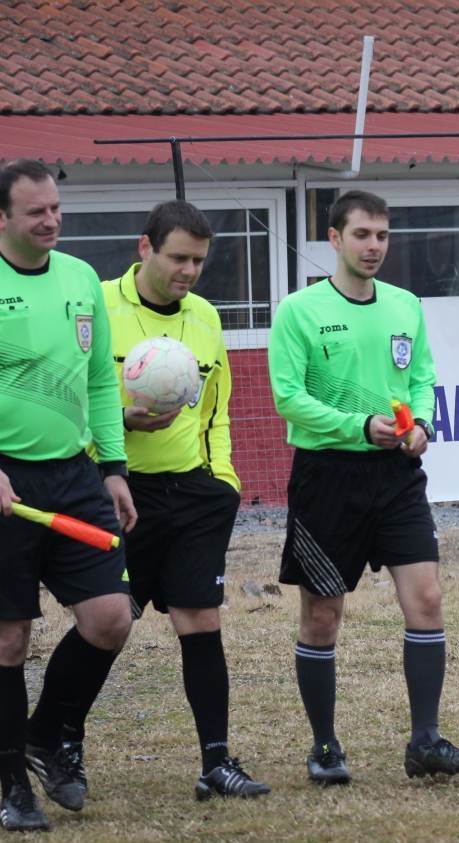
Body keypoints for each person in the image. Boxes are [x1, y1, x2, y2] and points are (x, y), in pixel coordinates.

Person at [267, 189, 459, 785]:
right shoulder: (299, 311)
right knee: (322, 617)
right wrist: (358, 426)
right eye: (362, 235)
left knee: (427, 599)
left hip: (396, 479)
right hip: (326, 477)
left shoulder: (405, 305)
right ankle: (325, 747)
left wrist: (422, 425)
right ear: (334, 239)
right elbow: (288, 398)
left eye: (382, 236)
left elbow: (422, 378)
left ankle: (426, 742)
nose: (373, 247)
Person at [89, 200, 268, 800]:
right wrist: (117, 429)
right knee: (107, 624)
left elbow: (216, 410)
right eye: (178, 258)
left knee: (201, 620)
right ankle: (59, 744)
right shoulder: (98, 307)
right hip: (116, 492)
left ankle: (216, 762)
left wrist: (223, 483)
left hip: (193, 493)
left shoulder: (206, 317)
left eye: (198, 261)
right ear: (145, 247)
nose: (189, 271)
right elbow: (71, 400)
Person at [0, 159, 137, 831]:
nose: (51, 220)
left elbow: (102, 382)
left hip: (75, 475)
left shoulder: (81, 278)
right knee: (9, 637)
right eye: (36, 212)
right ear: (2, 218)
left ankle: (43, 732)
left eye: (56, 208)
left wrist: (113, 467)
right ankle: (12, 787)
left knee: (111, 617)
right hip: (5, 480)